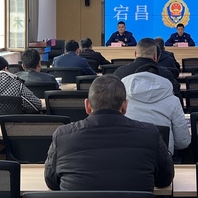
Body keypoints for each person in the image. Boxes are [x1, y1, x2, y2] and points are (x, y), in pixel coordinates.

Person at [44, 75, 173, 191]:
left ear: (87, 106)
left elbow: (52, 182)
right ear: (125, 106)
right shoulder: (150, 135)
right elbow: (164, 179)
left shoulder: (62, 137)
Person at [121, 65, 191, 154]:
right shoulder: (173, 101)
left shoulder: (122, 101)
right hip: (162, 157)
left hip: (129, 156)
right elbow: (182, 142)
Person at [114, 38, 180, 94]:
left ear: (135, 54)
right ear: (155, 56)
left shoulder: (120, 73)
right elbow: (176, 96)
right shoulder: (166, 75)